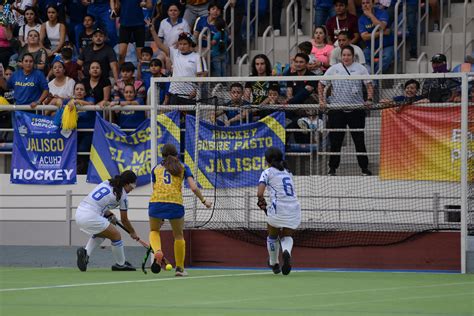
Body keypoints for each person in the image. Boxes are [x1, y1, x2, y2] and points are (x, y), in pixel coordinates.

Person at [148, 143, 212, 276]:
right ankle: (180, 269)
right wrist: (204, 201)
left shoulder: (155, 169)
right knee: (178, 236)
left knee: (154, 231)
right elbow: (193, 188)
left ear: (162, 155)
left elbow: (155, 188)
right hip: (175, 204)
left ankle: (158, 250)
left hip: (156, 203)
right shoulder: (183, 167)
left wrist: (161, 214)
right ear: (177, 154)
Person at [318, 45, 374, 176]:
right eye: (344, 55)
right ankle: (332, 169)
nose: (346, 57)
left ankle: (364, 168)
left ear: (353, 56)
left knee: (359, 140)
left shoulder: (361, 69)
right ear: (340, 56)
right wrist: (322, 100)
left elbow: (369, 85)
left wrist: (370, 99)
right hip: (337, 110)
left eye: (349, 55)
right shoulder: (333, 69)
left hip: (356, 110)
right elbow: (321, 83)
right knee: (336, 141)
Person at [75, 170, 139, 272]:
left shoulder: (107, 182)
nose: (132, 189)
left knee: (105, 233)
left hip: (80, 212)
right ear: (127, 183)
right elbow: (124, 220)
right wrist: (133, 232)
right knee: (116, 235)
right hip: (90, 216)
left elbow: (98, 203)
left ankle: (86, 254)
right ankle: (120, 264)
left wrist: (109, 214)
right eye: (132, 186)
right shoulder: (123, 196)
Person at [257, 147, 301, 276]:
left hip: (278, 209)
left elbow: (260, 192)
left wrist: (261, 201)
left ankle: (274, 263)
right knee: (287, 235)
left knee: (272, 235)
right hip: (294, 208)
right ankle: (286, 251)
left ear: (268, 160)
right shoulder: (288, 172)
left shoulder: (267, 172)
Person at [112, 0, 152, 65]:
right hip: (124, 24)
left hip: (139, 24)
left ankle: (141, 73)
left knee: (140, 55)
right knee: (121, 54)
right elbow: (117, 5)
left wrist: (145, 4)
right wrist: (114, 12)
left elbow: (150, 5)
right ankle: (119, 73)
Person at [358, 0, 394, 73]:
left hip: (386, 45)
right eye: (363, 3)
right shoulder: (361, 19)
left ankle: (374, 78)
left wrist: (371, 15)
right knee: (363, 57)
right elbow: (364, 37)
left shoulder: (382, 12)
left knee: (386, 58)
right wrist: (382, 33)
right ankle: (371, 78)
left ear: (373, 3)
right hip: (371, 47)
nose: (365, 5)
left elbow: (381, 27)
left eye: (368, 2)